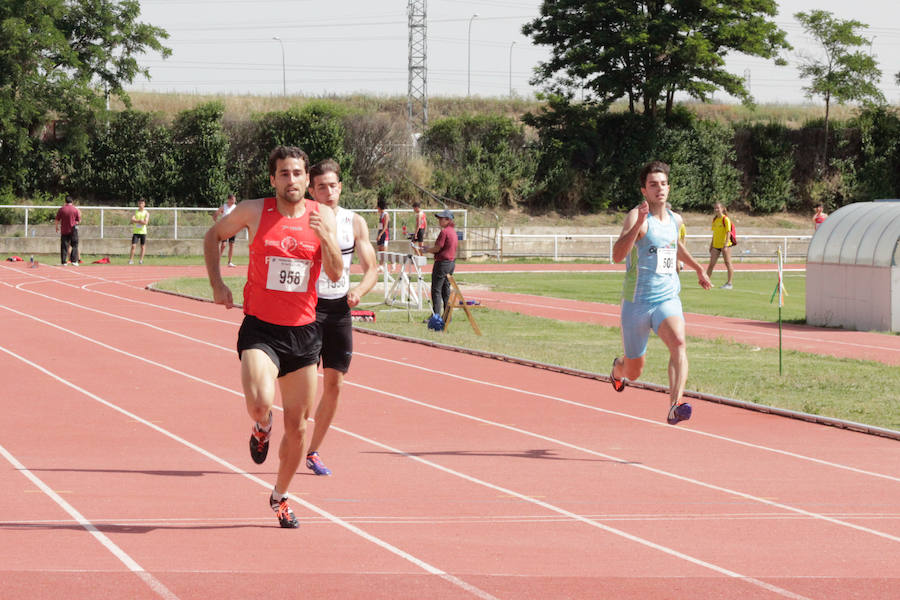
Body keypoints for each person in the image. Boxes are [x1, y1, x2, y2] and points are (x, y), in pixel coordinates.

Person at [203, 146, 342, 528]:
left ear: (305, 178)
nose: (292, 180)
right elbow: (213, 235)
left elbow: (333, 272)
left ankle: (280, 496)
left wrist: (326, 239)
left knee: (298, 428)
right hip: (261, 328)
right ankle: (261, 426)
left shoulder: (322, 215)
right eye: (284, 173)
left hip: (304, 332)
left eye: (298, 173)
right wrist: (217, 284)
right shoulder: (253, 210)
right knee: (260, 402)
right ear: (273, 179)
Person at [609, 161, 712, 425]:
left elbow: (674, 245)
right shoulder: (636, 216)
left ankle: (674, 405)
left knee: (679, 342)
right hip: (637, 303)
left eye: (663, 184)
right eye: (653, 184)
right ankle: (617, 368)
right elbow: (617, 256)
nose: (659, 189)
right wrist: (638, 225)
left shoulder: (676, 219)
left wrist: (699, 268)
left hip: (667, 298)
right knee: (634, 372)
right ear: (644, 190)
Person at [304, 159, 378, 476]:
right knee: (304, 386)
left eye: (333, 185)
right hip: (307, 308)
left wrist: (360, 290)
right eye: (321, 186)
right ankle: (286, 432)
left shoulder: (355, 222)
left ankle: (313, 451)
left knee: (335, 383)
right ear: (311, 190)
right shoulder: (303, 219)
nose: (328, 191)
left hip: (338, 310)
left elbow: (372, 268)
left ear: (341, 187)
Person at [424, 209, 458, 318]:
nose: (439, 220)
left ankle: (436, 316)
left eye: (441, 219)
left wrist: (427, 249)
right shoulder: (453, 232)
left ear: (448, 220)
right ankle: (447, 315)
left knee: (436, 290)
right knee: (445, 289)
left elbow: (438, 248)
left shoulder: (444, 232)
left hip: (442, 263)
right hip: (451, 263)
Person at [706, 201, 734, 289]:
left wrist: (726, 245)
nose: (716, 210)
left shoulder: (725, 219)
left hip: (725, 245)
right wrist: (711, 245)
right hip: (716, 245)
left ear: (722, 209)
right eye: (715, 208)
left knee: (728, 263)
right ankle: (706, 282)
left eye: (718, 208)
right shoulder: (715, 220)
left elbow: (728, 232)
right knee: (711, 264)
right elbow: (714, 233)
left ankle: (729, 283)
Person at [55, 196, 81, 266]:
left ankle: (64, 262)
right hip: (73, 229)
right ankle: (74, 261)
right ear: (72, 201)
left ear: (65, 201)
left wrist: (56, 227)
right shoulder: (75, 209)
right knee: (75, 245)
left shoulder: (61, 209)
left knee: (64, 246)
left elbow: (57, 219)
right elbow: (78, 220)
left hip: (64, 230)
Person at [214, 193, 239, 267]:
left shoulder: (235, 207)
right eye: (233, 200)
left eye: (234, 200)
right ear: (229, 200)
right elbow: (216, 214)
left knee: (232, 245)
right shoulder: (224, 207)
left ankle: (230, 262)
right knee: (223, 245)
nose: (234, 201)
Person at [128, 199, 150, 265]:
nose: (140, 205)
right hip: (136, 232)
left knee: (142, 247)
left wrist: (137, 221)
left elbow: (146, 222)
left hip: (143, 232)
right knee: (133, 246)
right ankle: (131, 260)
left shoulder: (146, 213)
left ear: (144, 204)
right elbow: (132, 220)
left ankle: (141, 260)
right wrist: (139, 221)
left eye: (142, 203)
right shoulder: (135, 212)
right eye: (139, 203)